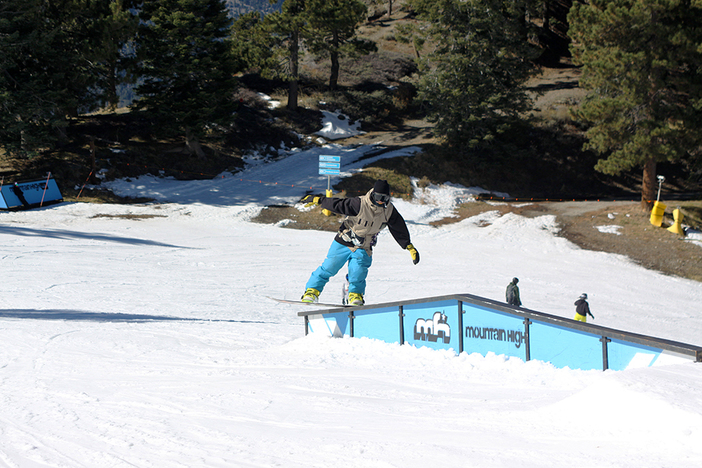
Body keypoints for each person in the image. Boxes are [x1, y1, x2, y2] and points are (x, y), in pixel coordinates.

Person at [300, 179, 420, 306]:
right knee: (329, 267)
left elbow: (399, 227)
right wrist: (319, 200)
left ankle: (355, 294)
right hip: (344, 241)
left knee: (358, 271)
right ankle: (312, 292)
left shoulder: (389, 211)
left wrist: (408, 245)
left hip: (364, 246)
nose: (380, 201)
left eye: (384, 198)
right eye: (378, 197)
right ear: (373, 194)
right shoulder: (360, 203)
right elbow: (339, 205)